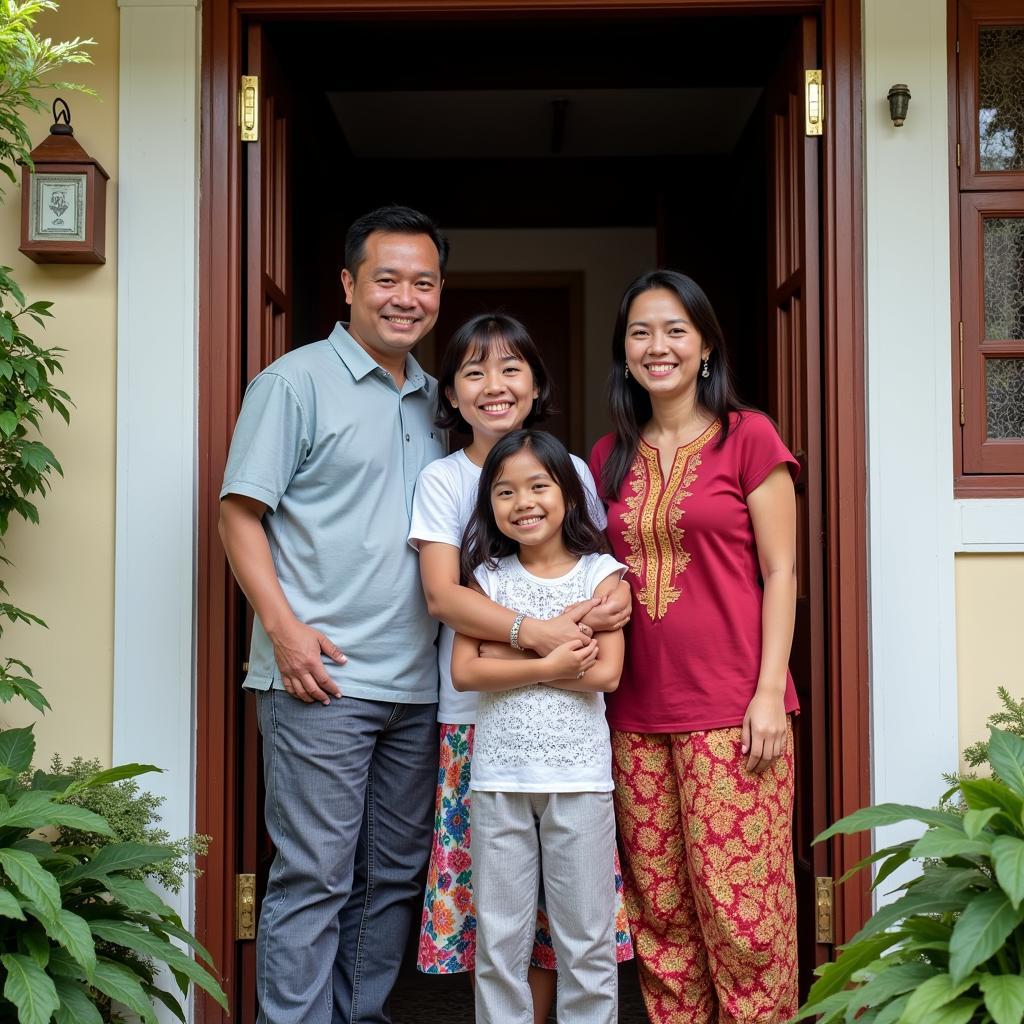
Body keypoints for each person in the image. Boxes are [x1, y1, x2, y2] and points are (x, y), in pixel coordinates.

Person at [218, 205, 448, 1024]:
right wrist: (283, 631)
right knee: (315, 875)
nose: (404, 297)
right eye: (386, 279)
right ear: (349, 285)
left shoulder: (438, 400)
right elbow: (238, 514)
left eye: (422, 282)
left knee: (390, 877)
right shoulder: (294, 381)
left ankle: (359, 1016)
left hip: (420, 686)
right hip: (319, 680)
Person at [589, 270, 801, 1024]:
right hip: (633, 715)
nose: (658, 346)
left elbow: (781, 571)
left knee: (742, 920)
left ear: (705, 344)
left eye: (676, 330)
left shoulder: (750, 437)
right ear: (624, 350)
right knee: (661, 922)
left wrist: (770, 692)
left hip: (734, 710)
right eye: (641, 332)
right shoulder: (609, 454)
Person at [409, 315, 632, 1021]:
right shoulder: (452, 493)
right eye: (473, 371)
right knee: (497, 927)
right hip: (484, 740)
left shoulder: (571, 479)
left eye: (511, 369)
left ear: (537, 384)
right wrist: (545, 642)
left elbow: (602, 612)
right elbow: (446, 602)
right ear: (449, 392)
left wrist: (605, 602)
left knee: (574, 924)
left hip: (573, 757)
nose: (494, 386)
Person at [449, 429, 627, 1024]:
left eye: (538, 486)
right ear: (490, 507)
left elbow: (605, 674)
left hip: (579, 781)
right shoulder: (488, 580)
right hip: (498, 781)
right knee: (499, 945)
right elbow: (465, 673)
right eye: (504, 491)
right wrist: (552, 662)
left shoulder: (602, 575)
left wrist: (512, 663)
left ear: (570, 496)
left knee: (587, 943)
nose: (522, 502)